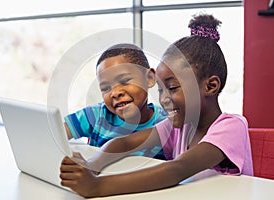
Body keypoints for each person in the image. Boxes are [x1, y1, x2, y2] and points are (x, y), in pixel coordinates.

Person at [59, 14, 253, 198]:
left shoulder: (231, 127)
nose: (164, 99)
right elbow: (124, 143)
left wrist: (97, 186)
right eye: (160, 90)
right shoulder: (178, 127)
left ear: (210, 86)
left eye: (172, 88)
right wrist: (93, 164)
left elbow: (177, 169)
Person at [64, 43, 167, 159]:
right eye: (106, 88)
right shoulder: (96, 115)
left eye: (125, 81)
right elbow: (57, 133)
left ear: (149, 78)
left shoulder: (168, 122)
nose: (115, 93)